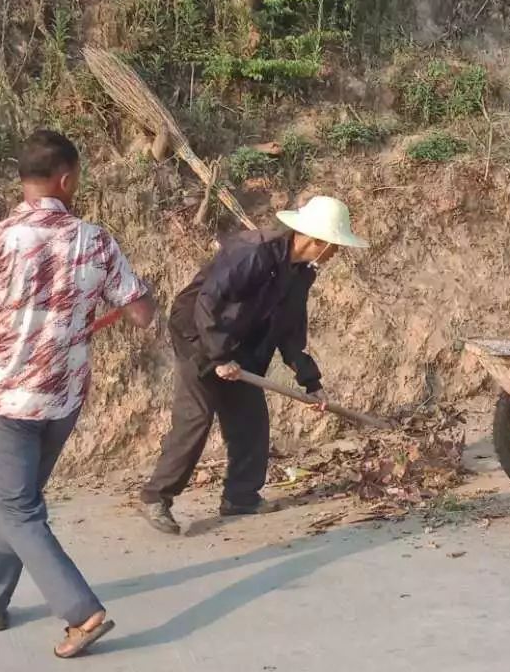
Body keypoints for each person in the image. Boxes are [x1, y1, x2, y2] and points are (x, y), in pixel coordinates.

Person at [0, 128, 154, 657]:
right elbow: (141, 313)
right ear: (66, 179)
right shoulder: (96, 240)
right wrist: (125, 298)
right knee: (20, 506)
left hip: (8, 400)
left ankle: (83, 613)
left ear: (25, 181)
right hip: (63, 402)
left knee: (16, 509)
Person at [139, 193, 366, 534]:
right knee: (196, 417)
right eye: (334, 245)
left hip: (238, 341)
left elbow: (290, 330)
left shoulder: (301, 272)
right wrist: (218, 357)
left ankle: (240, 498)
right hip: (197, 334)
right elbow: (208, 302)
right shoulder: (254, 251)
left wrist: (311, 381)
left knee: (250, 419)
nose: (336, 252)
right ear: (317, 241)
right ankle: (156, 498)